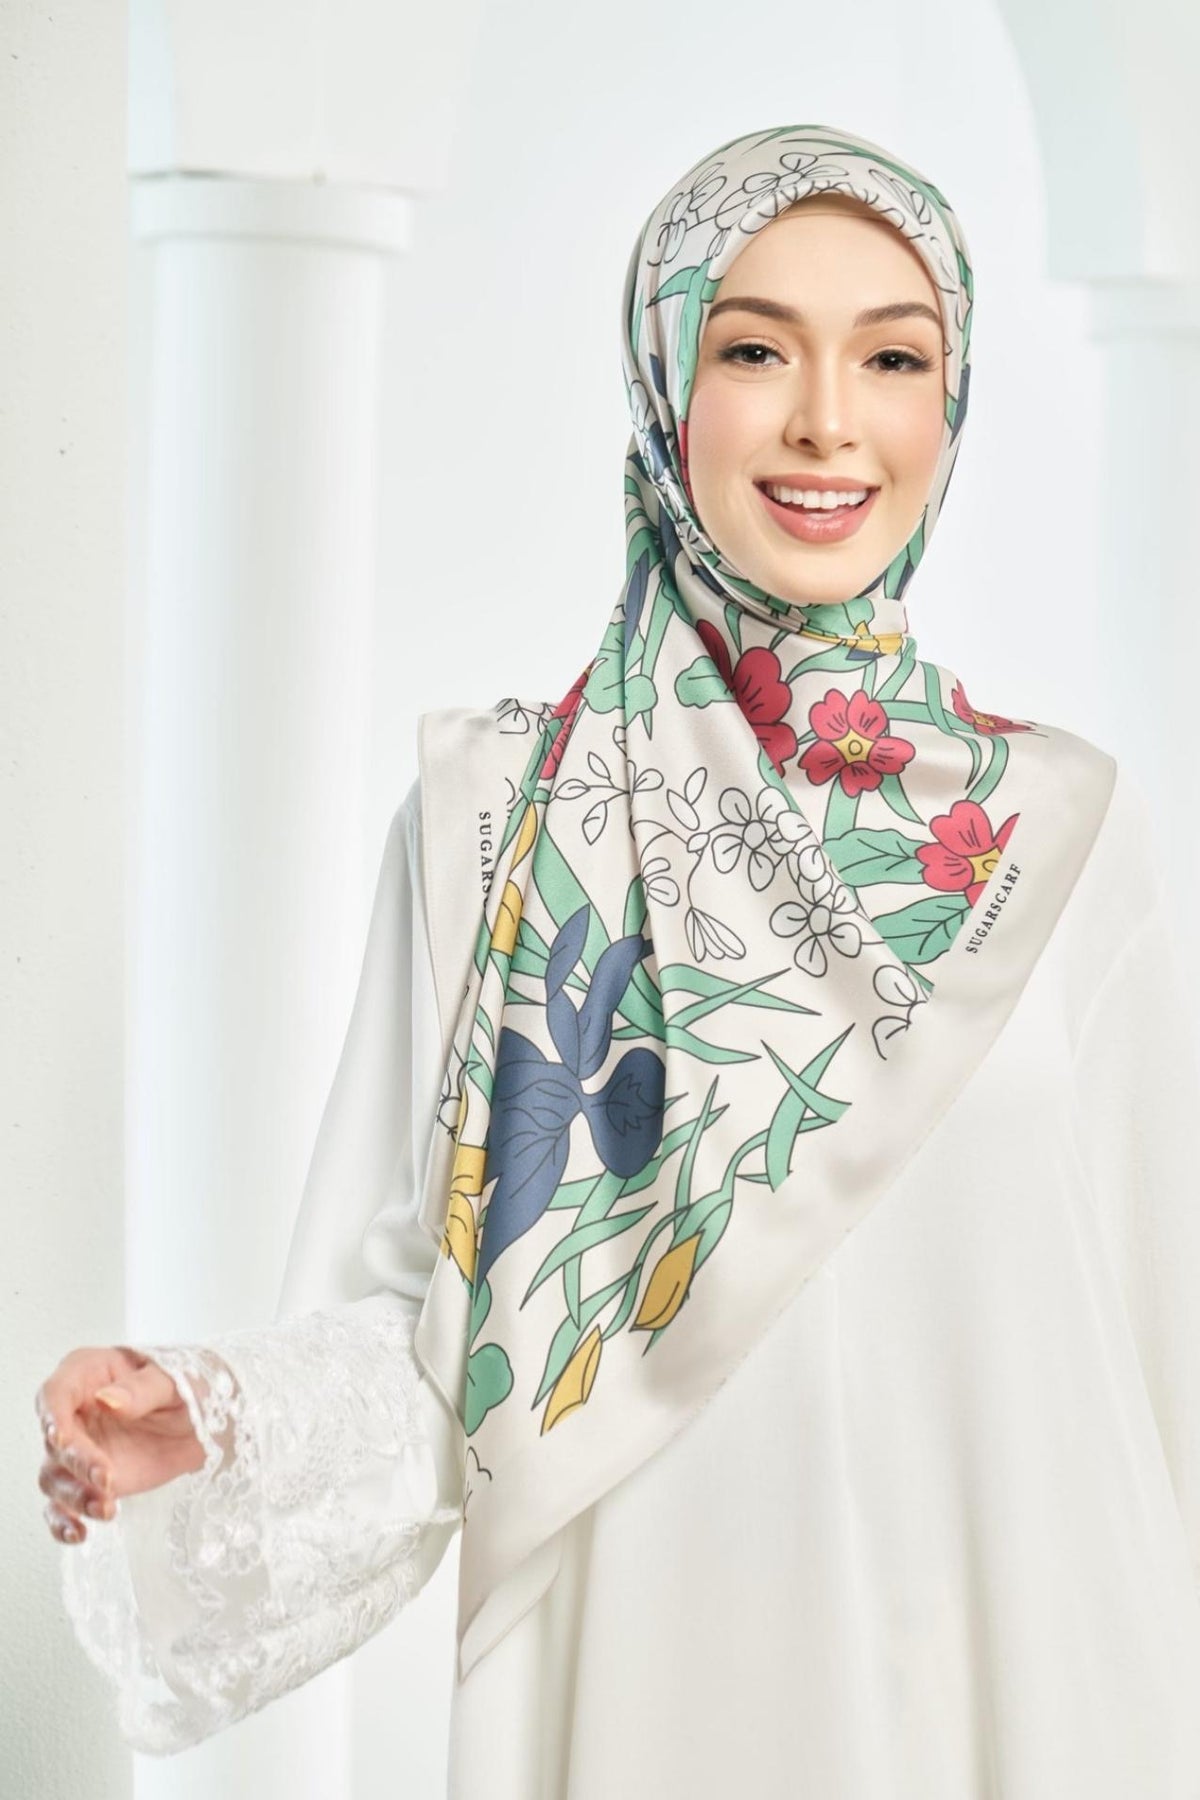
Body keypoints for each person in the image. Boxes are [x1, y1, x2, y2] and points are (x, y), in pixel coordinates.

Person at [34, 123, 1200, 1795]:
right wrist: (215, 1414)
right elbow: (449, 1332)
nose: (828, 420)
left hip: (1043, 1699)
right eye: (754, 349)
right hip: (663, 1686)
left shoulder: (1062, 832)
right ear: (663, 383)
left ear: (953, 401)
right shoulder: (498, 816)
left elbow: (1168, 1354)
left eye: (892, 356)